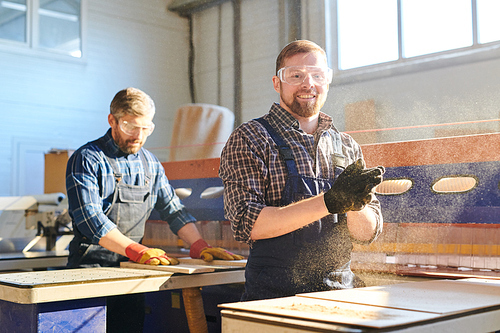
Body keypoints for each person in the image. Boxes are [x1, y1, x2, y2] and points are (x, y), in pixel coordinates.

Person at [219, 40, 385, 301]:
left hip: (339, 295)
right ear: (277, 83)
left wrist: (356, 204)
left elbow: (367, 234)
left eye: (317, 75)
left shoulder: (347, 146)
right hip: (273, 299)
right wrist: (329, 201)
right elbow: (247, 224)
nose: (308, 84)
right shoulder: (250, 138)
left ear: (327, 81)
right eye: (296, 75)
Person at [66, 87, 242, 332]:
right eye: (130, 127)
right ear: (112, 120)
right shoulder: (87, 158)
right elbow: (90, 219)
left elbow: (173, 210)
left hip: (132, 272)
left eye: (146, 128)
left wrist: (199, 245)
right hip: (89, 271)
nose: (138, 136)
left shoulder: (151, 164)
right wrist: (137, 249)